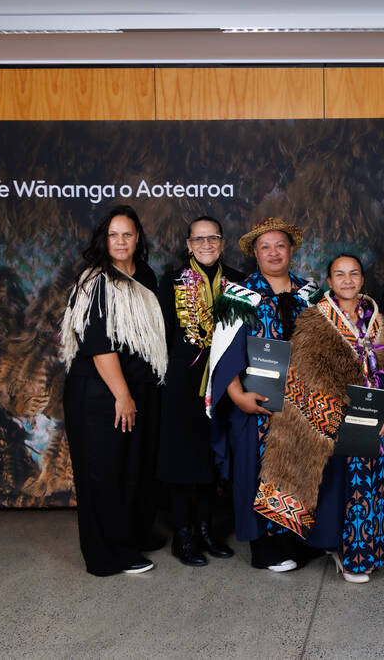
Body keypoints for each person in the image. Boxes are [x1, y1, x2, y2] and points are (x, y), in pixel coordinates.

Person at [254, 254, 384, 583]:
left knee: (370, 486)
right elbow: (303, 375)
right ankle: (342, 549)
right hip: (332, 420)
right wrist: (332, 411)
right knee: (337, 488)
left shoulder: (380, 323)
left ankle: (366, 550)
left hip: (373, 420)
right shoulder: (314, 320)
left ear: (362, 279)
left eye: (353, 273)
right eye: (339, 274)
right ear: (329, 281)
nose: (347, 280)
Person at [205, 217, 318, 572]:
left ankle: (294, 539)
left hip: (302, 404)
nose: (273, 252)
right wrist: (237, 396)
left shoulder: (311, 294)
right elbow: (222, 353)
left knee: (300, 467)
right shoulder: (239, 296)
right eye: (265, 246)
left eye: (280, 245)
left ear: (291, 250)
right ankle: (265, 547)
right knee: (257, 470)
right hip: (255, 402)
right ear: (255, 252)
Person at [60, 204, 167, 576]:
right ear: (103, 240)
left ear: (138, 238)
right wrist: (122, 395)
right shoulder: (96, 282)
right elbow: (98, 344)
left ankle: (131, 535)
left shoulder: (146, 276)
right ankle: (108, 555)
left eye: (128, 234)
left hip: (137, 387)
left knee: (132, 469)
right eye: (113, 234)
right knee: (102, 473)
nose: (121, 241)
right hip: (100, 391)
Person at [156, 216, 242, 566]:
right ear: (188, 244)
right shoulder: (171, 281)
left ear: (222, 243)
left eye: (213, 238)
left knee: (210, 455)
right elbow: (160, 335)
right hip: (181, 382)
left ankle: (206, 530)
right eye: (198, 239)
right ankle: (183, 535)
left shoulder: (237, 282)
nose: (206, 245)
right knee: (181, 459)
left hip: (224, 382)